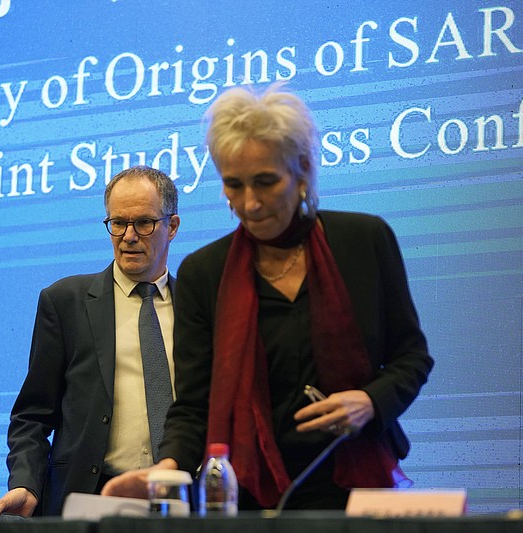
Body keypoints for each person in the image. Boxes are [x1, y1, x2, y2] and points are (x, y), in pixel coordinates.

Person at [102, 85, 433, 510]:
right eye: (233, 185)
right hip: (249, 496)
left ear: (303, 170)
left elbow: (412, 357)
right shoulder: (206, 273)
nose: (249, 203)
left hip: (355, 487)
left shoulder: (364, 241)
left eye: (265, 181)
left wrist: (370, 401)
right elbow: (194, 407)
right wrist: (167, 467)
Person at [0, 166, 181, 520]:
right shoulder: (65, 302)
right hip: (92, 499)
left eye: (144, 223)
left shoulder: (199, 306)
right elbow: (32, 415)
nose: (129, 236)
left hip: (183, 498)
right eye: (118, 223)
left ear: (172, 226)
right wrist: (26, 483)